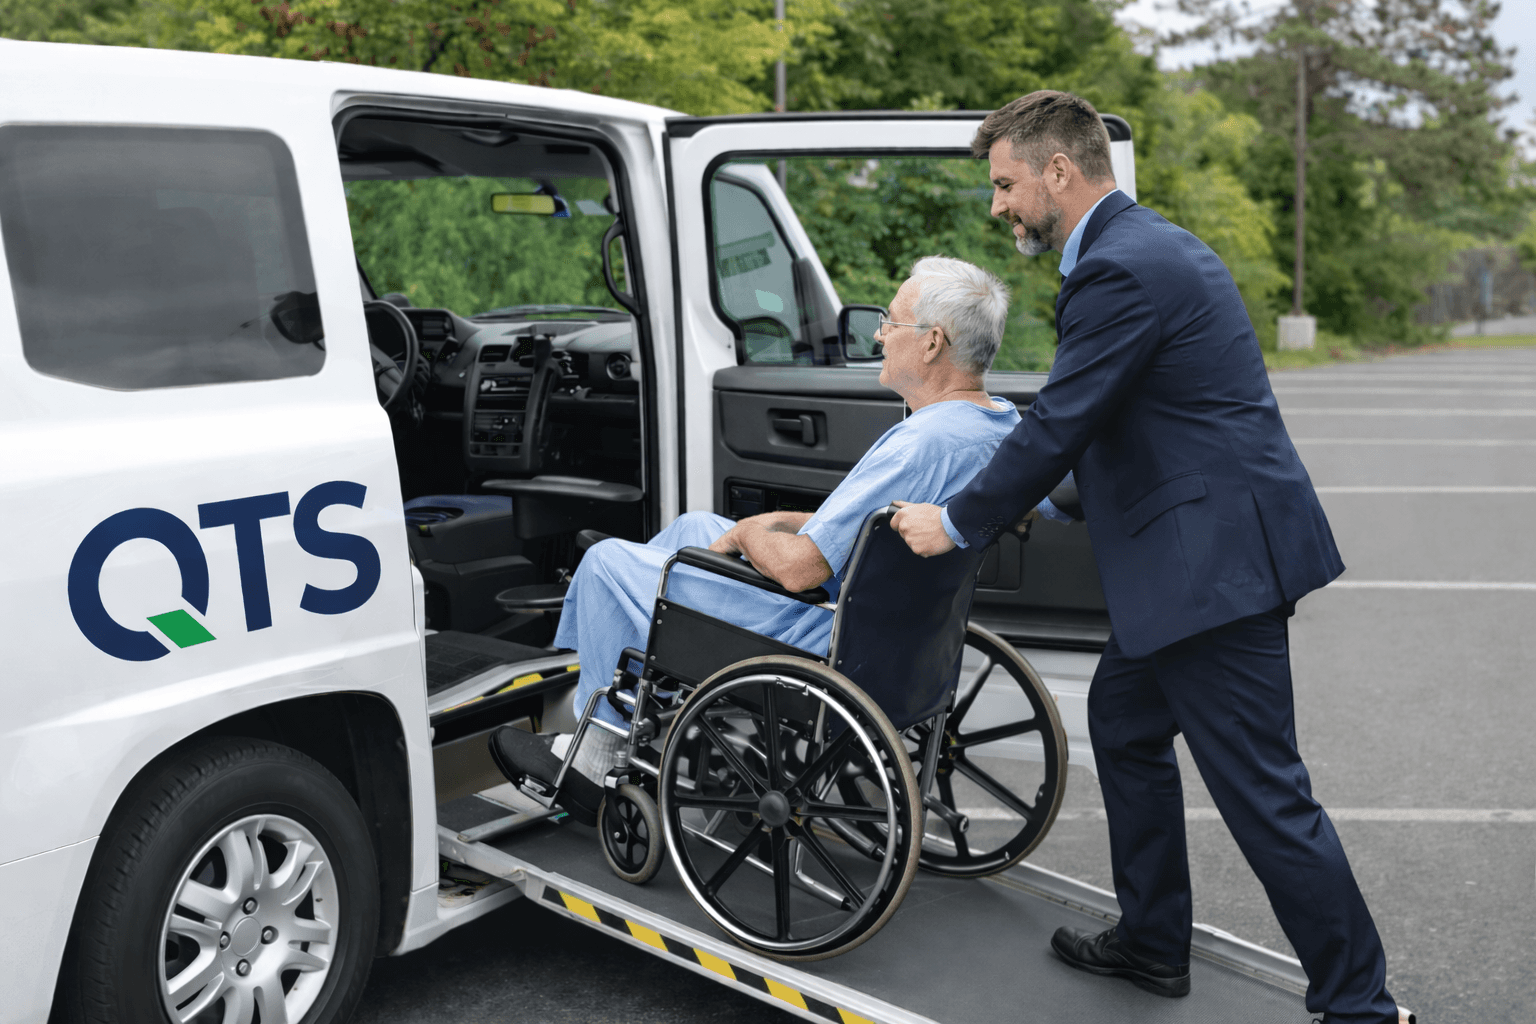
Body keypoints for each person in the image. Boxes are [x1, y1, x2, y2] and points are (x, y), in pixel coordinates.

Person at [890, 92, 1404, 1024]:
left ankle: (1359, 1005)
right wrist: (1047, 479)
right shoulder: (1139, 249)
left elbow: (1068, 417)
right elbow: (1135, 417)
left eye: (1006, 184)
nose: (998, 205)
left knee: (1265, 798)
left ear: (1059, 171)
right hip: (1199, 561)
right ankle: (1154, 942)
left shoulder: (1121, 268)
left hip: (1212, 576)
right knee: (1125, 725)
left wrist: (960, 518)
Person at [489, 255, 1044, 825]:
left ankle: (597, 751)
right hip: (892, 630)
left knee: (606, 562)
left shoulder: (918, 444)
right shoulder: (996, 426)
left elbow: (802, 570)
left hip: (817, 632)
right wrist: (781, 519)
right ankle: (643, 703)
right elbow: (878, 525)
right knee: (694, 528)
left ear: (931, 344)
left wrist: (757, 532)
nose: (878, 334)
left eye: (890, 322)